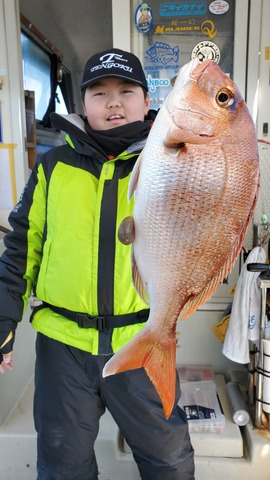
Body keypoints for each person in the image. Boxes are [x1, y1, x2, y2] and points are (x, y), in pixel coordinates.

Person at [0, 48, 194, 480]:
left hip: (141, 339)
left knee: (169, 461)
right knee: (62, 466)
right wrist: (4, 318)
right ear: (82, 104)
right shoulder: (52, 167)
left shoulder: (170, 161)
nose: (113, 102)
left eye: (127, 91)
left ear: (147, 101)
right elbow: (21, 247)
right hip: (61, 346)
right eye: (99, 92)